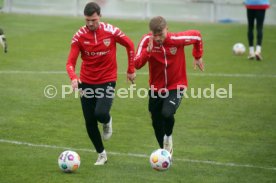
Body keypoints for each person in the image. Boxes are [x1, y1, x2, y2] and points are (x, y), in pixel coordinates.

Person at [66, 2, 136, 165]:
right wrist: (73, 78)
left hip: (107, 79)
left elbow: (130, 44)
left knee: (100, 113)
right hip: (86, 82)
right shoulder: (79, 36)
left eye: (94, 20)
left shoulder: (111, 31)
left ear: (100, 16)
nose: (90, 23)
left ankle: (107, 120)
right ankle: (101, 154)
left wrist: (131, 68)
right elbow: (70, 62)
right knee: (90, 121)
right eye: (87, 20)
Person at [134, 16, 204, 156]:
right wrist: (148, 51)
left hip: (176, 85)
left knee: (167, 113)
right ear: (151, 33)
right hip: (156, 88)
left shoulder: (177, 39)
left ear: (167, 29)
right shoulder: (146, 41)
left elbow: (197, 36)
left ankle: (168, 138)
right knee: (156, 122)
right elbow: (136, 64)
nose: (158, 38)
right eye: (155, 35)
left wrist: (197, 55)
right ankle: (165, 153)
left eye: (161, 34)